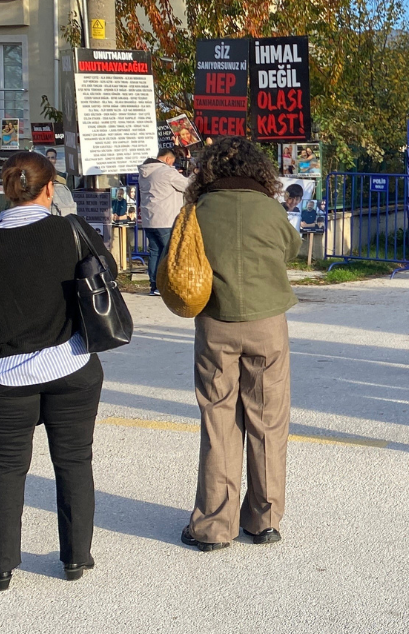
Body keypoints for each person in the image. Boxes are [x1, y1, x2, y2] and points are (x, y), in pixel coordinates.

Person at [0, 152, 113, 591]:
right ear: (50, 187)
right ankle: (76, 557)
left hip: (4, 373)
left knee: (5, 468)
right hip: (70, 363)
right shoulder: (70, 231)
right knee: (74, 461)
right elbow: (105, 274)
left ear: (4, 188)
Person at [179, 137, 301, 553]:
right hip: (267, 322)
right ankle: (264, 520)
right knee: (268, 422)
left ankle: (214, 525)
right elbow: (292, 248)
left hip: (215, 322)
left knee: (219, 421)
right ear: (258, 170)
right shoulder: (269, 208)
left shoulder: (197, 210)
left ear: (208, 170)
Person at [139, 148, 190, 296]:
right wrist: (194, 174)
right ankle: (165, 285)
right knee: (167, 253)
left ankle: (154, 285)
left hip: (150, 219)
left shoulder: (145, 172)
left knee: (154, 252)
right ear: (168, 159)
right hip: (166, 219)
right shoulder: (167, 172)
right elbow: (187, 185)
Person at [44, 148, 77, 217]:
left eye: (52, 158)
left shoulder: (61, 176)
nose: (50, 160)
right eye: (48, 158)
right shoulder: (41, 176)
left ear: (55, 160)